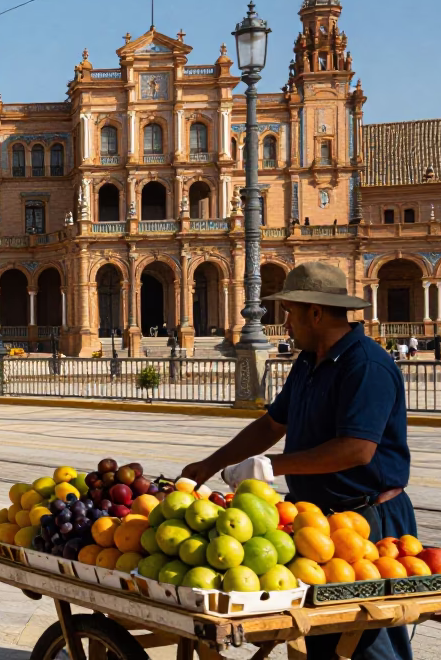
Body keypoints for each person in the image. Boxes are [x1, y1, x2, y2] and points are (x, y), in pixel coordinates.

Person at [181, 262, 413, 660]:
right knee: (320, 638)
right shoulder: (309, 361)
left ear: (316, 313)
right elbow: (273, 423)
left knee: (366, 644)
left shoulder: (366, 365)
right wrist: (209, 464)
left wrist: (274, 467)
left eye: (288, 312)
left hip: (368, 519)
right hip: (316, 521)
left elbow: (357, 448)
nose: (284, 323)